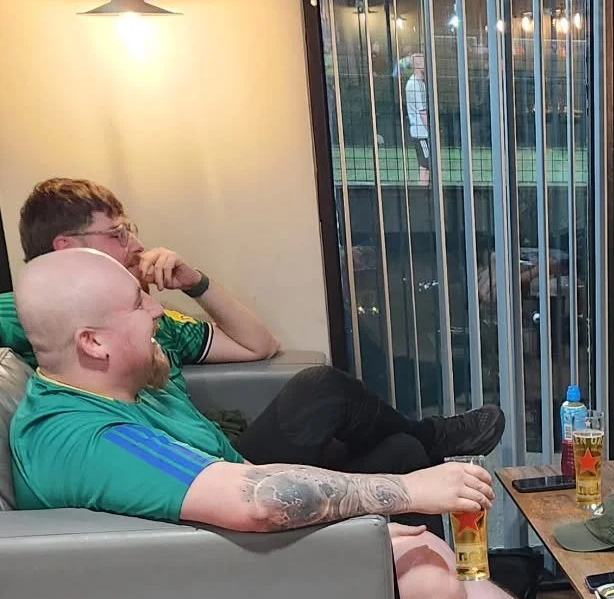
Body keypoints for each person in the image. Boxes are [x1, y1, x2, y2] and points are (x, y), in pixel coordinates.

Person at [7, 251, 614, 599]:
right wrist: (400, 493)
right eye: (137, 307)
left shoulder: (128, 383)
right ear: (92, 341)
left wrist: (363, 521)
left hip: (211, 556)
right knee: (424, 571)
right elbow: (254, 500)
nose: (155, 314)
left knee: (414, 544)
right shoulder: (78, 435)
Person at [0, 178, 503, 477]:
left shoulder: (150, 317)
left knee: (403, 452)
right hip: (209, 481)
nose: (135, 244)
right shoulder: (31, 314)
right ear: (68, 249)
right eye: (116, 234)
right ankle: (435, 434)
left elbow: (258, 344)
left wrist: (193, 282)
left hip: (224, 456)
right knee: (322, 388)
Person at [406, 53, 431, 186]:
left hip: (421, 130)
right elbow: (422, 111)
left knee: (427, 163)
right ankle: (423, 190)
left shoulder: (419, 83)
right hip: (421, 131)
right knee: (425, 163)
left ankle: (425, 188)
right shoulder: (415, 85)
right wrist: (431, 129)